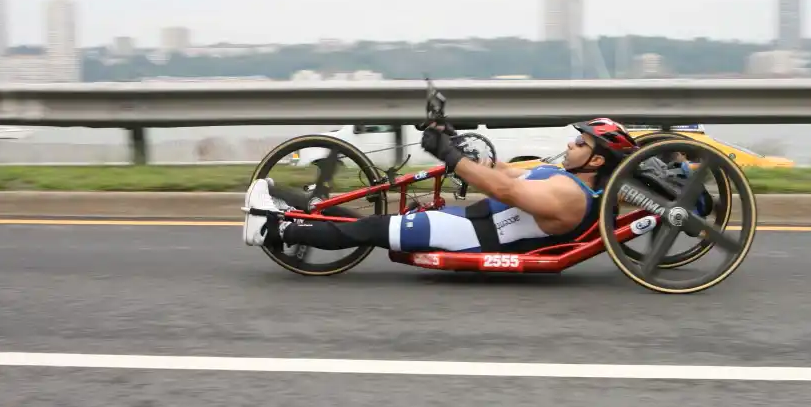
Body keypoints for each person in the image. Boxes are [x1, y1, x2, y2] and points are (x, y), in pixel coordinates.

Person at [242, 118, 639, 255]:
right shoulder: (562, 176)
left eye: (581, 143)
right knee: (365, 224)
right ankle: (290, 207)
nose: (571, 144)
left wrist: (452, 158)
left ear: (598, 160)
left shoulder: (571, 195)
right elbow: (502, 172)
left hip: (472, 237)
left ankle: (272, 229)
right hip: (468, 223)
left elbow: (507, 193)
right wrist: (455, 144)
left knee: (368, 230)